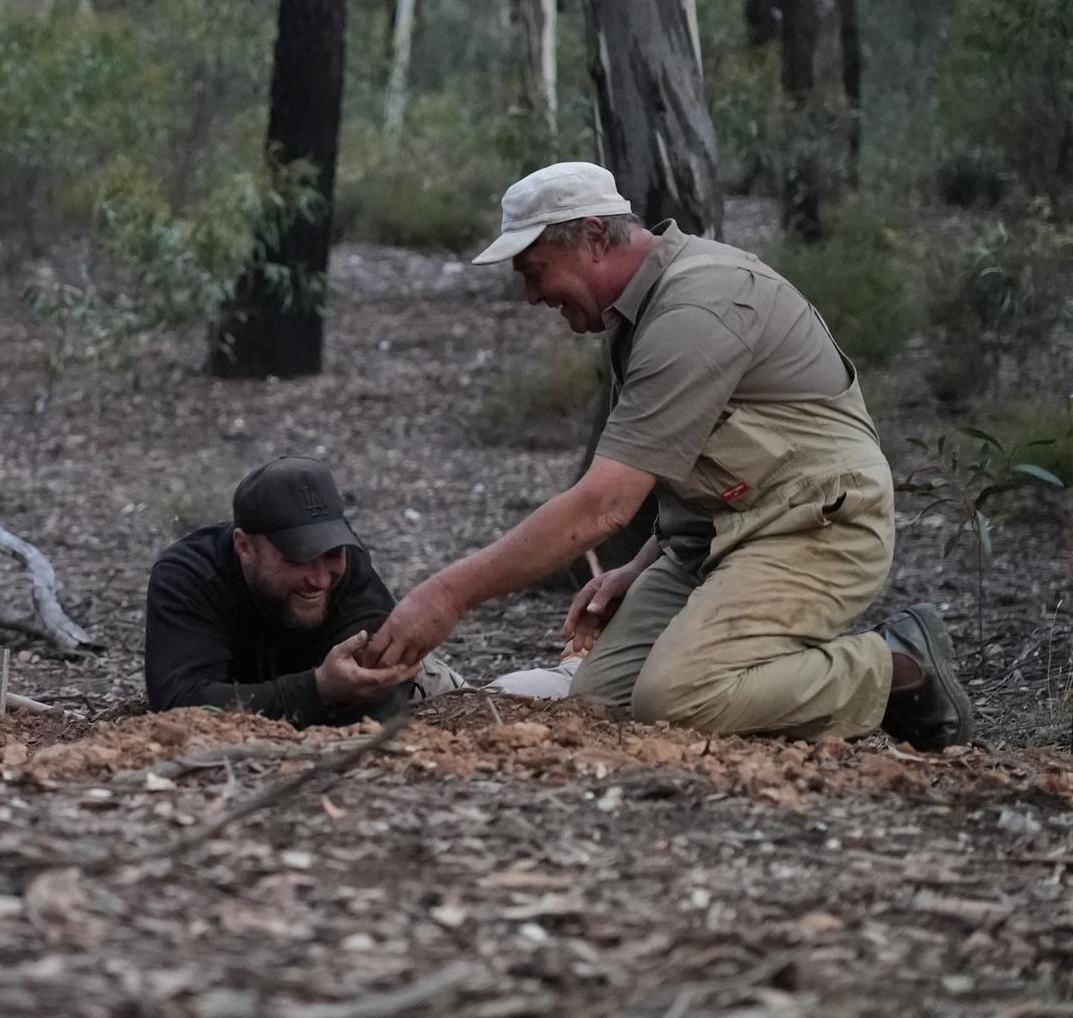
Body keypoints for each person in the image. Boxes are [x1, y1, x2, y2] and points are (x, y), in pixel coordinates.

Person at [363, 161, 971, 751]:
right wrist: (641, 565)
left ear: (595, 237)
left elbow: (603, 506)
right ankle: (754, 665)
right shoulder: (642, 311)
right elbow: (704, 469)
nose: (531, 295)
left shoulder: (696, 309)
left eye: (536, 270)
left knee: (679, 699)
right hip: (719, 535)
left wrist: (446, 594)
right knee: (603, 705)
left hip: (817, 526)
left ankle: (897, 665)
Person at [144, 458, 429, 727]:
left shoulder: (347, 564)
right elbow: (180, 705)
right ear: (244, 547)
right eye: (298, 557)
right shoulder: (189, 576)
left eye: (331, 553)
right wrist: (317, 689)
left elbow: (380, 686)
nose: (320, 580)